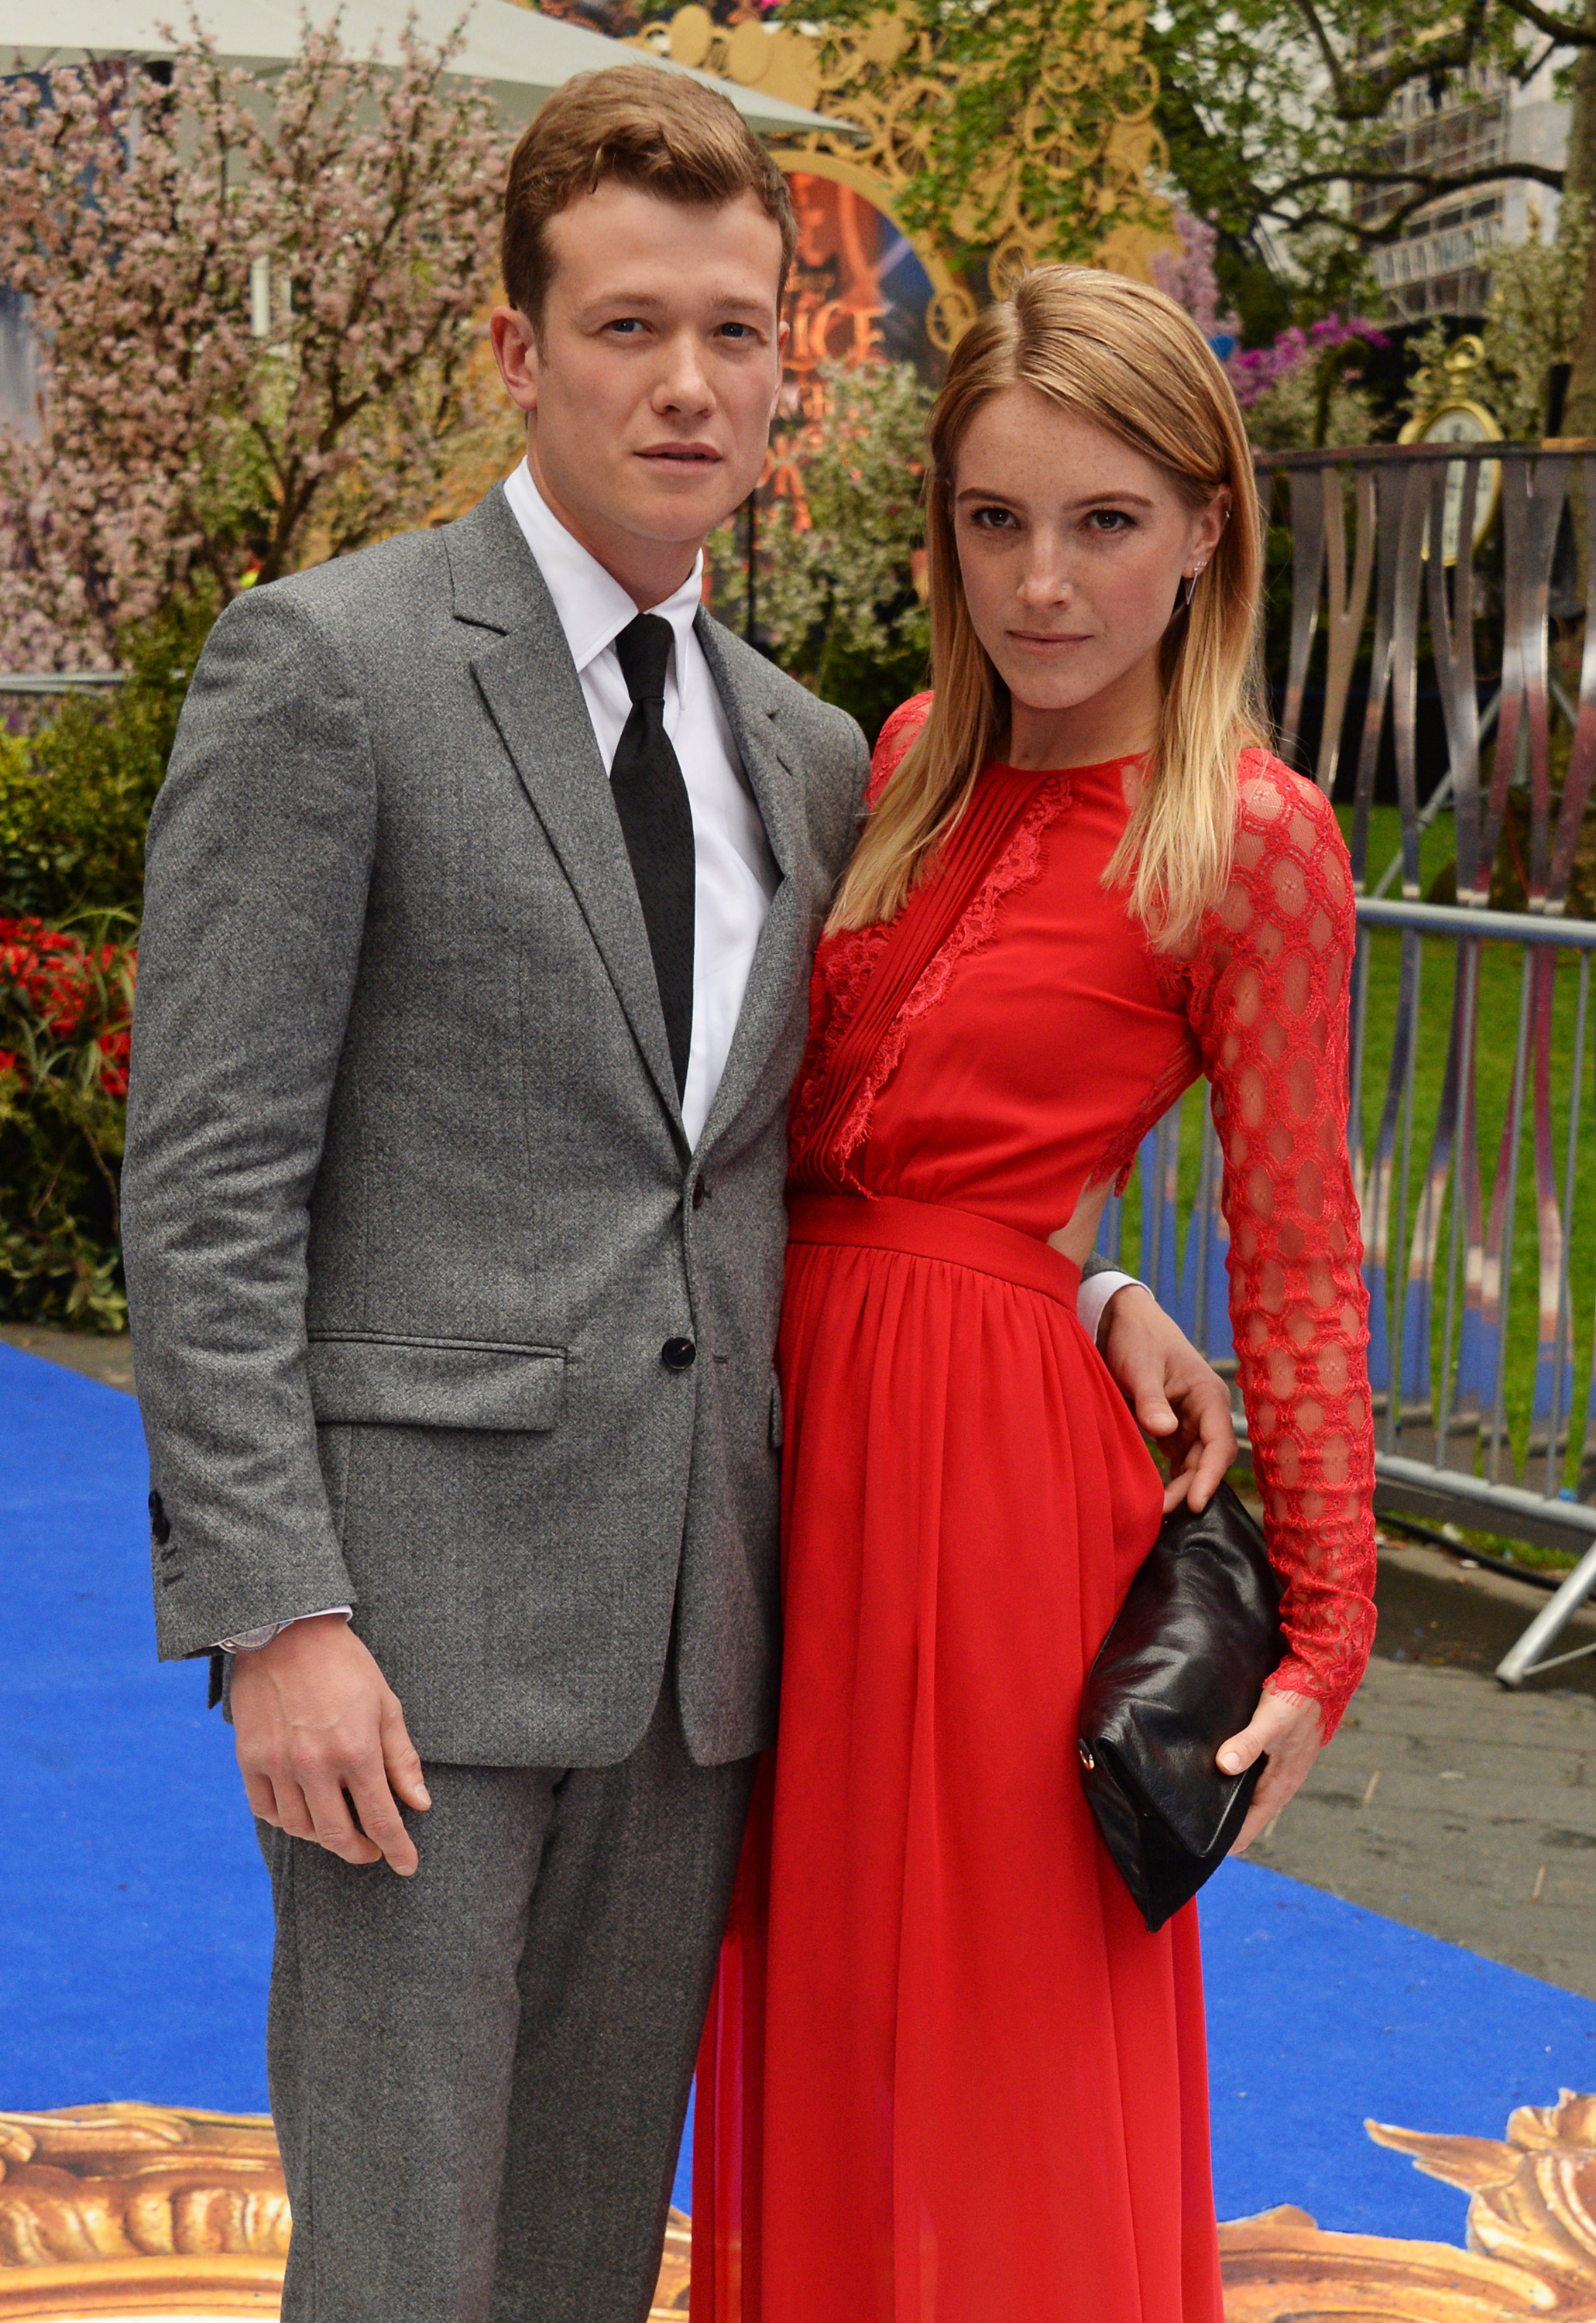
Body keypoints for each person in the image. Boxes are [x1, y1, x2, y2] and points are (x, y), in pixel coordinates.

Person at [121, 77, 1237, 2323]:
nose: (691, 381)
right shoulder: (331, 672)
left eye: (739, 332)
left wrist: (1081, 1280)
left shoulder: (815, 754)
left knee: (574, 2257)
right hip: (410, 1634)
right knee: (406, 2259)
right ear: (514, 353)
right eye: (630, 325)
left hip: (718, 1651)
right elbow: (212, 1176)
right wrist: (274, 1611)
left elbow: (826, 1145)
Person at [691, 264, 1377, 2323]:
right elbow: (844, 1146)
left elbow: (1299, 1248)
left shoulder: (1253, 839)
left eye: (1100, 524)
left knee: (992, 2035)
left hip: (988, 1505)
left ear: (1202, 529)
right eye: (995, 521)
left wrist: (1325, 1634)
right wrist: (1090, 1288)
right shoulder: (902, 754)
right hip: (780, 1446)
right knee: (810, 1995)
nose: (1043, 585)